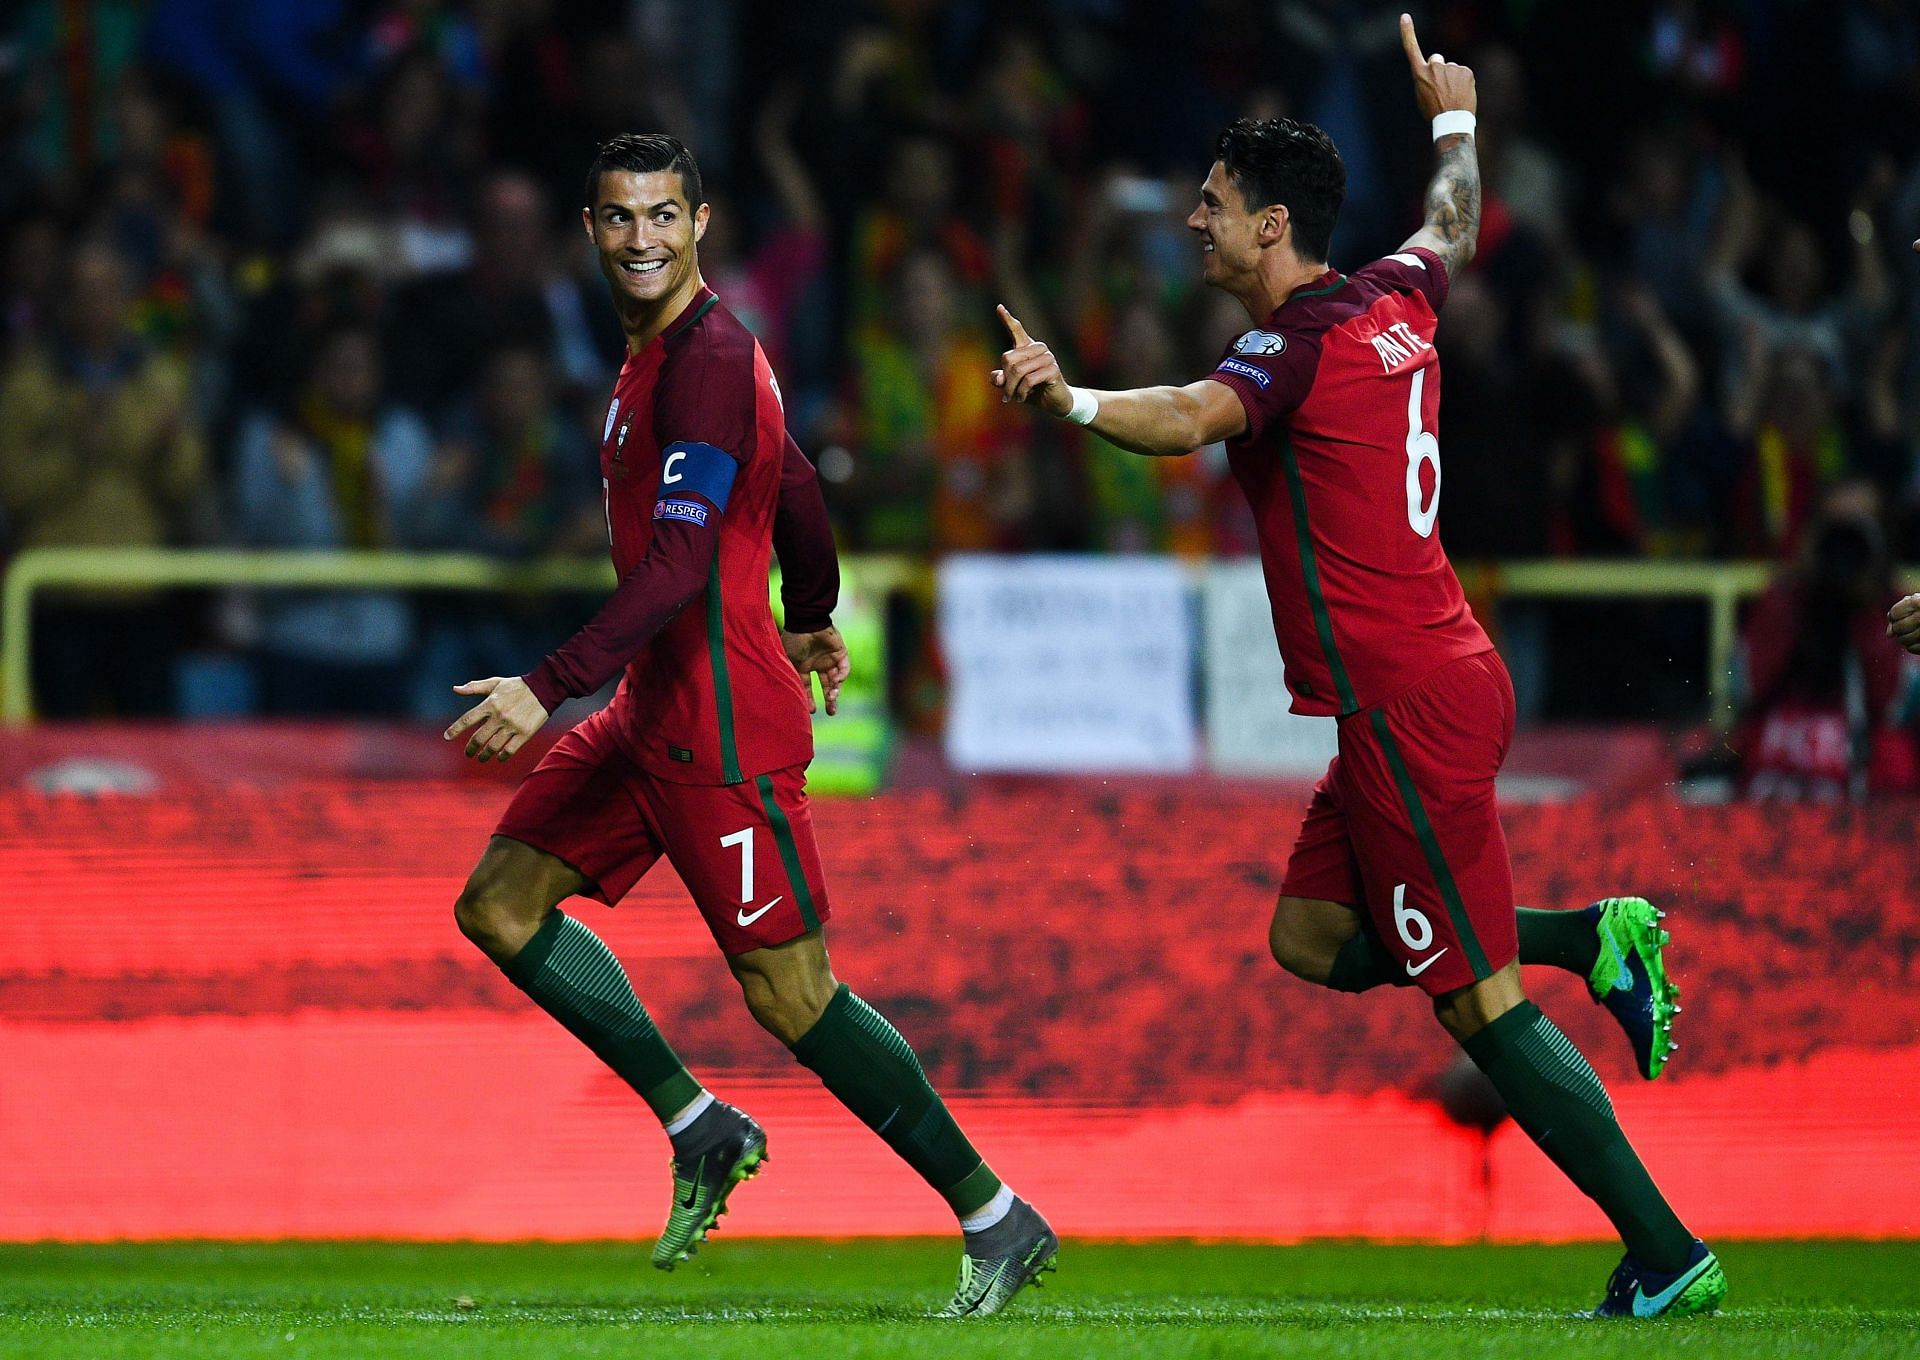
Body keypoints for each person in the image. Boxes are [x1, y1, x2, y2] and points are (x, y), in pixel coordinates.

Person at [991, 16, 1722, 1320]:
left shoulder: (1287, 348)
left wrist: (1069, 403)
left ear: (1273, 226)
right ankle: (1594, 939)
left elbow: (1187, 420)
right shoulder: (1397, 296)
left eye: (1214, 207)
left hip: (1410, 709)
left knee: (1477, 1006)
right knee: (1315, 941)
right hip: (1431, 686)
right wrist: (1457, 124)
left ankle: (1668, 1252)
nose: (1195, 224)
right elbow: (1453, 218)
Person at [443, 133, 1055, 1317]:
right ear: (591, 230)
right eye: (619, 218)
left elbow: (676, 567)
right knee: (501, 903)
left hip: (719, 728)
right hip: (650, 713)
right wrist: (816, 607)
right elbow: (803, 486)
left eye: (663, 216)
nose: (641, 239)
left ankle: (996, 1214)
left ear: (701, 222)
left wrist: (547, 681)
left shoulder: (710, 356)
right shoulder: (664, 354)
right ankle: (699, 1123)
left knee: (794, 995)